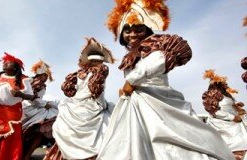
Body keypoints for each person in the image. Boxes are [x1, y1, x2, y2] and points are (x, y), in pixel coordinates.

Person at [97, 0, 235, 160]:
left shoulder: (155, 48)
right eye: (127, 30)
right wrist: (128, 86)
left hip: (158, 101)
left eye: (139, 29)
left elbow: (154, 63)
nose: (132, 34)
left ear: (147, 31)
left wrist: (132, 81)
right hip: (134, 103)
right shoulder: (130, 57)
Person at [45, 38, 115, 160]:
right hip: (91, 106)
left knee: (67, 133)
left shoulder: (78, 74)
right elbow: (98, 95)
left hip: (73, 106)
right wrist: (104, 105)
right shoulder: (98, 74)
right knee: (111, 122)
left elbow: (71, 92)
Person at [202, 70, 247, 160]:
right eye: (224, 83)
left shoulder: (227, 95)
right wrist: (232, 117)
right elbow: (214, 111)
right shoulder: (212, 95)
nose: (226, 85)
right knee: (239, 140)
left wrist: (237, 107)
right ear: (217, 85)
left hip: (236, 121)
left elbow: (229, 106)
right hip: (223, 123)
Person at [22, 60, 58, 160]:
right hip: (28, 109)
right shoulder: (33, 82)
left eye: (47, 76)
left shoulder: (31, 81)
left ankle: (27, 155)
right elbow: (33, 99)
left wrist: (45, 104)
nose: (46, 78)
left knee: (38, 133)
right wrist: (45, 104)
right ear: (40, 74)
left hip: (33, 108)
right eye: (45, 75)